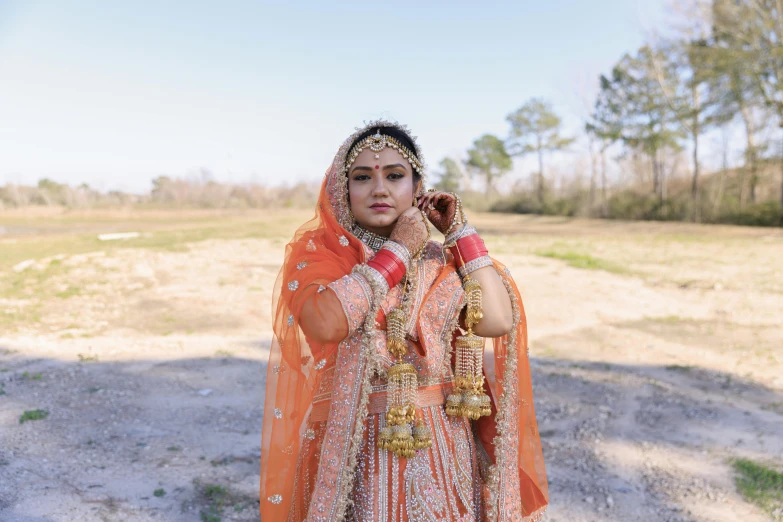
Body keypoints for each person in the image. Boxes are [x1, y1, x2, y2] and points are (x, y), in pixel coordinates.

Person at [260, 120, 548, 522]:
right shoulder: (320, 259)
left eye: (395, 176)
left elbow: (497, 320)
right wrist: (397, 250)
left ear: (417, 187)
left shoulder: (442, 261)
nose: (379, 188)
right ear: (343, 190)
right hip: (352, 453)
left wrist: (460, 233)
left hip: (444, 447)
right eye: (362, 177)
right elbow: (326, 323)